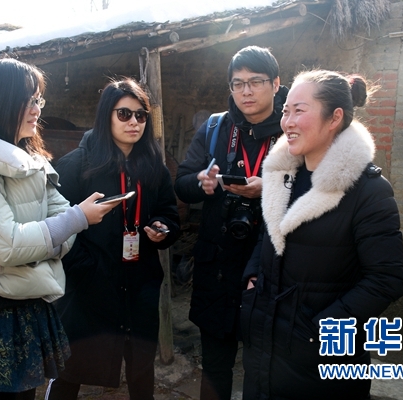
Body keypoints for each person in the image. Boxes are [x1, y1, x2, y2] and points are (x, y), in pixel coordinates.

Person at [0, 58, 117, 400]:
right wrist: (70, 223)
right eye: (29, 100)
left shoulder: (29, 161)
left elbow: (53, 222)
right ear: (1, 103)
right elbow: (12, 243)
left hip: (27, 301)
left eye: (38, 100)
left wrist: (34, 247)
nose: (37, 110)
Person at [240, 69, 403, 399]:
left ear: (335, 118)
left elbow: (387, 279)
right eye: (285, 111)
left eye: (299, 111)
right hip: (264, 345)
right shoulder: (282, 176)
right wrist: (252, 281)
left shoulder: (369, 191)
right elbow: (269, 235)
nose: (287, 122)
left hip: (322, 362)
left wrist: (319, 329)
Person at [46, 78, 180, 400]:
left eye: (140, 115)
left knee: (141, 368)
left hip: (140, 284)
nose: (134, 122)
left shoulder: (153, 167)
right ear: (106, 116)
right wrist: (87, 268)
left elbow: (169, 213)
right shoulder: (76, 165)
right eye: (124, 114)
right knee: (70, 369)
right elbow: (54, 227)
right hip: (89, 288)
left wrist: (162, 228)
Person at [174, 45, 288, 400]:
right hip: (217, 268)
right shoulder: (216, 127)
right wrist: (201, 184)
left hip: (269, 266)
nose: (246, 91)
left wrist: (270, 187)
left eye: (256, 82)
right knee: (215, 367)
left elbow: (312, 188)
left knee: (264, 368)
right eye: (238, 84)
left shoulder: (292, 130)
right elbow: (182, 181)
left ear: (276, 84)